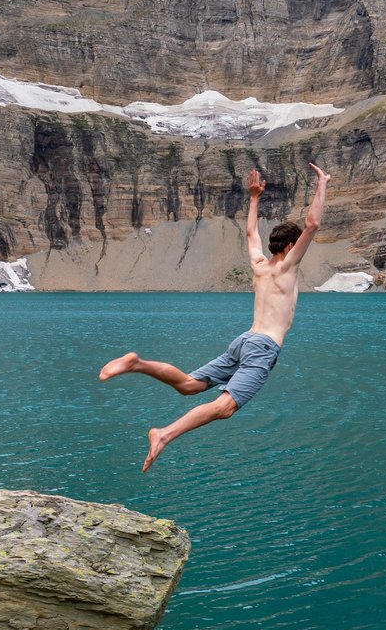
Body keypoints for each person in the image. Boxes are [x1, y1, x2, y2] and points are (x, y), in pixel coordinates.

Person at [100, 163, 331, 471]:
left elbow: (250, 233)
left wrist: (253, 198)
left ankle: (136, 363)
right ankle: (164, 435)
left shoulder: (260, 266)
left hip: (243, 340)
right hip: (262, 348)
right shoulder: (287, 267)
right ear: (290, 246)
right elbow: (313, 223)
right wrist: (323, 183)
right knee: (224, 408)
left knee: (189, 385)